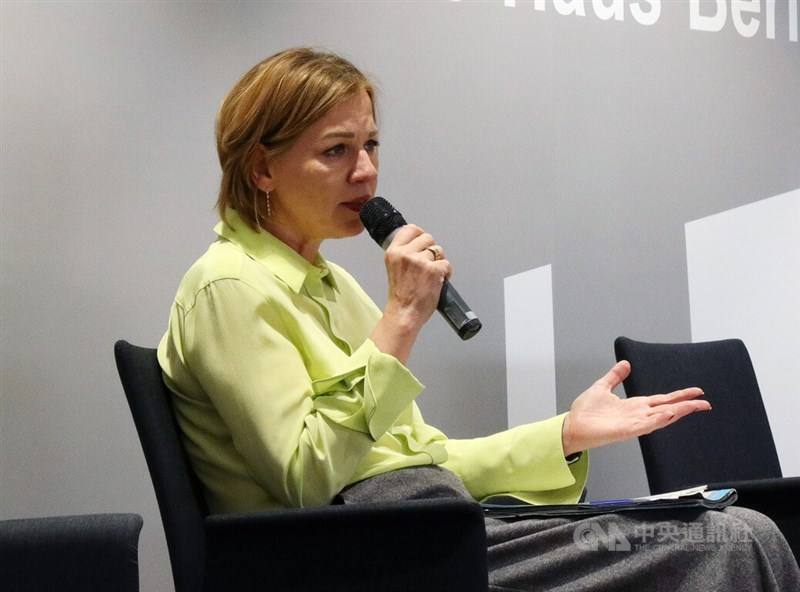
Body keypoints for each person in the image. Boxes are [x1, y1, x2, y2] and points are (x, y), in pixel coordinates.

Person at [157, 48, 799, 590]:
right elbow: (306, 481)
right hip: (363, 555)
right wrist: (402, 320)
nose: (367, 172)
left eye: (371, 144)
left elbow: (427, 458)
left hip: (434, 523)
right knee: (725, 541)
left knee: (746, 530)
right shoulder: (228, 286)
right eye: (336, 151)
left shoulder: (336, 285)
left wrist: (565, 436)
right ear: (262, 168)